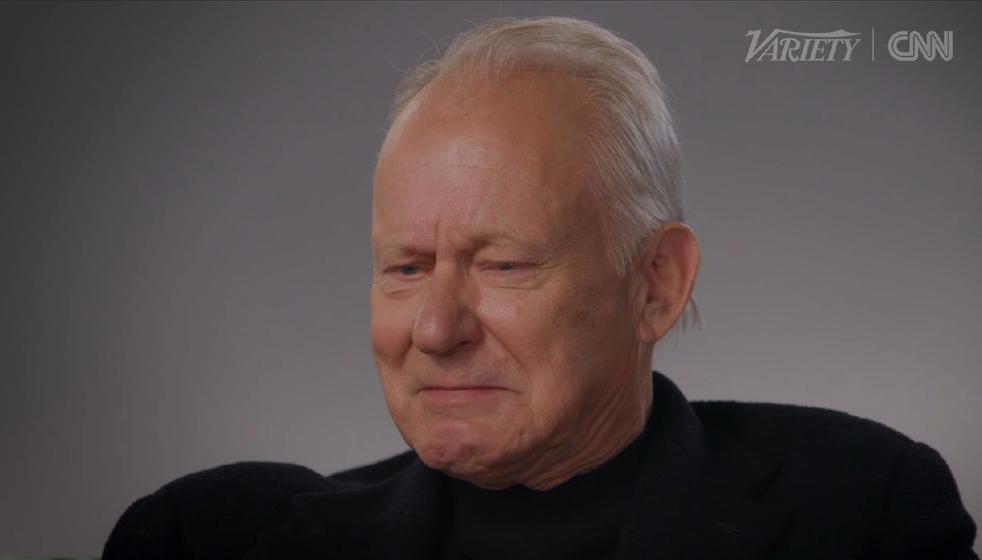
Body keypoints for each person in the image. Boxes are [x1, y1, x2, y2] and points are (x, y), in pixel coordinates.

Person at [103, 16, 977, 560]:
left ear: (657, 285)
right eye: (406, 268)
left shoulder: (864, 514)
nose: (435, 328)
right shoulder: (206, 537)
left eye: (504, 264)